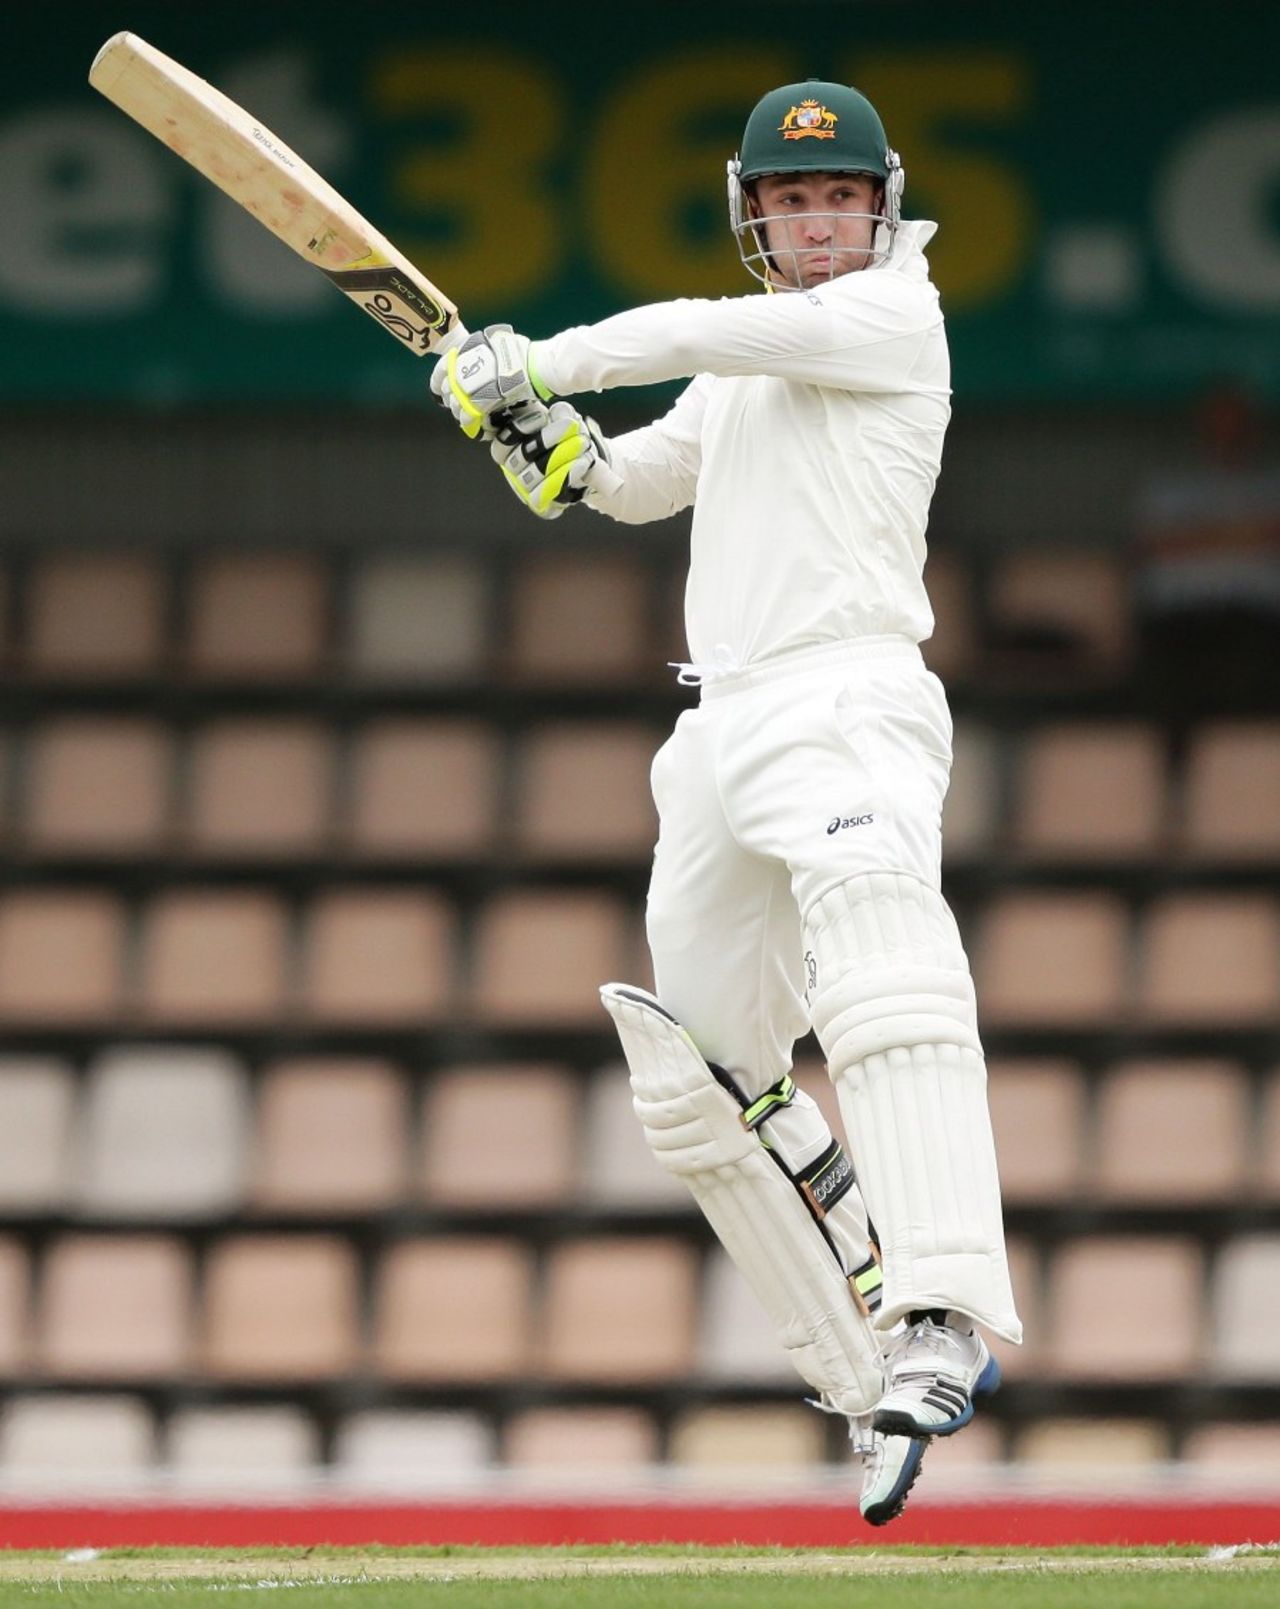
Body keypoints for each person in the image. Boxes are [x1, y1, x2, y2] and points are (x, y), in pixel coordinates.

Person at [431, 79, 1021, 1526]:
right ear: (756, 212)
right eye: (793, 201)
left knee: (882, 972)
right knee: (697, 1066)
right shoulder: (755, 372)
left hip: (849, 698)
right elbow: (636, 482)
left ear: (879, 206)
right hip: (721, 721)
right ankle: (850, 1302)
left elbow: (685, 326)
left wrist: (530, 357)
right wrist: (550, 446)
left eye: (840, 199)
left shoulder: (889, 318)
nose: (819, 223)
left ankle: (942, 1311)